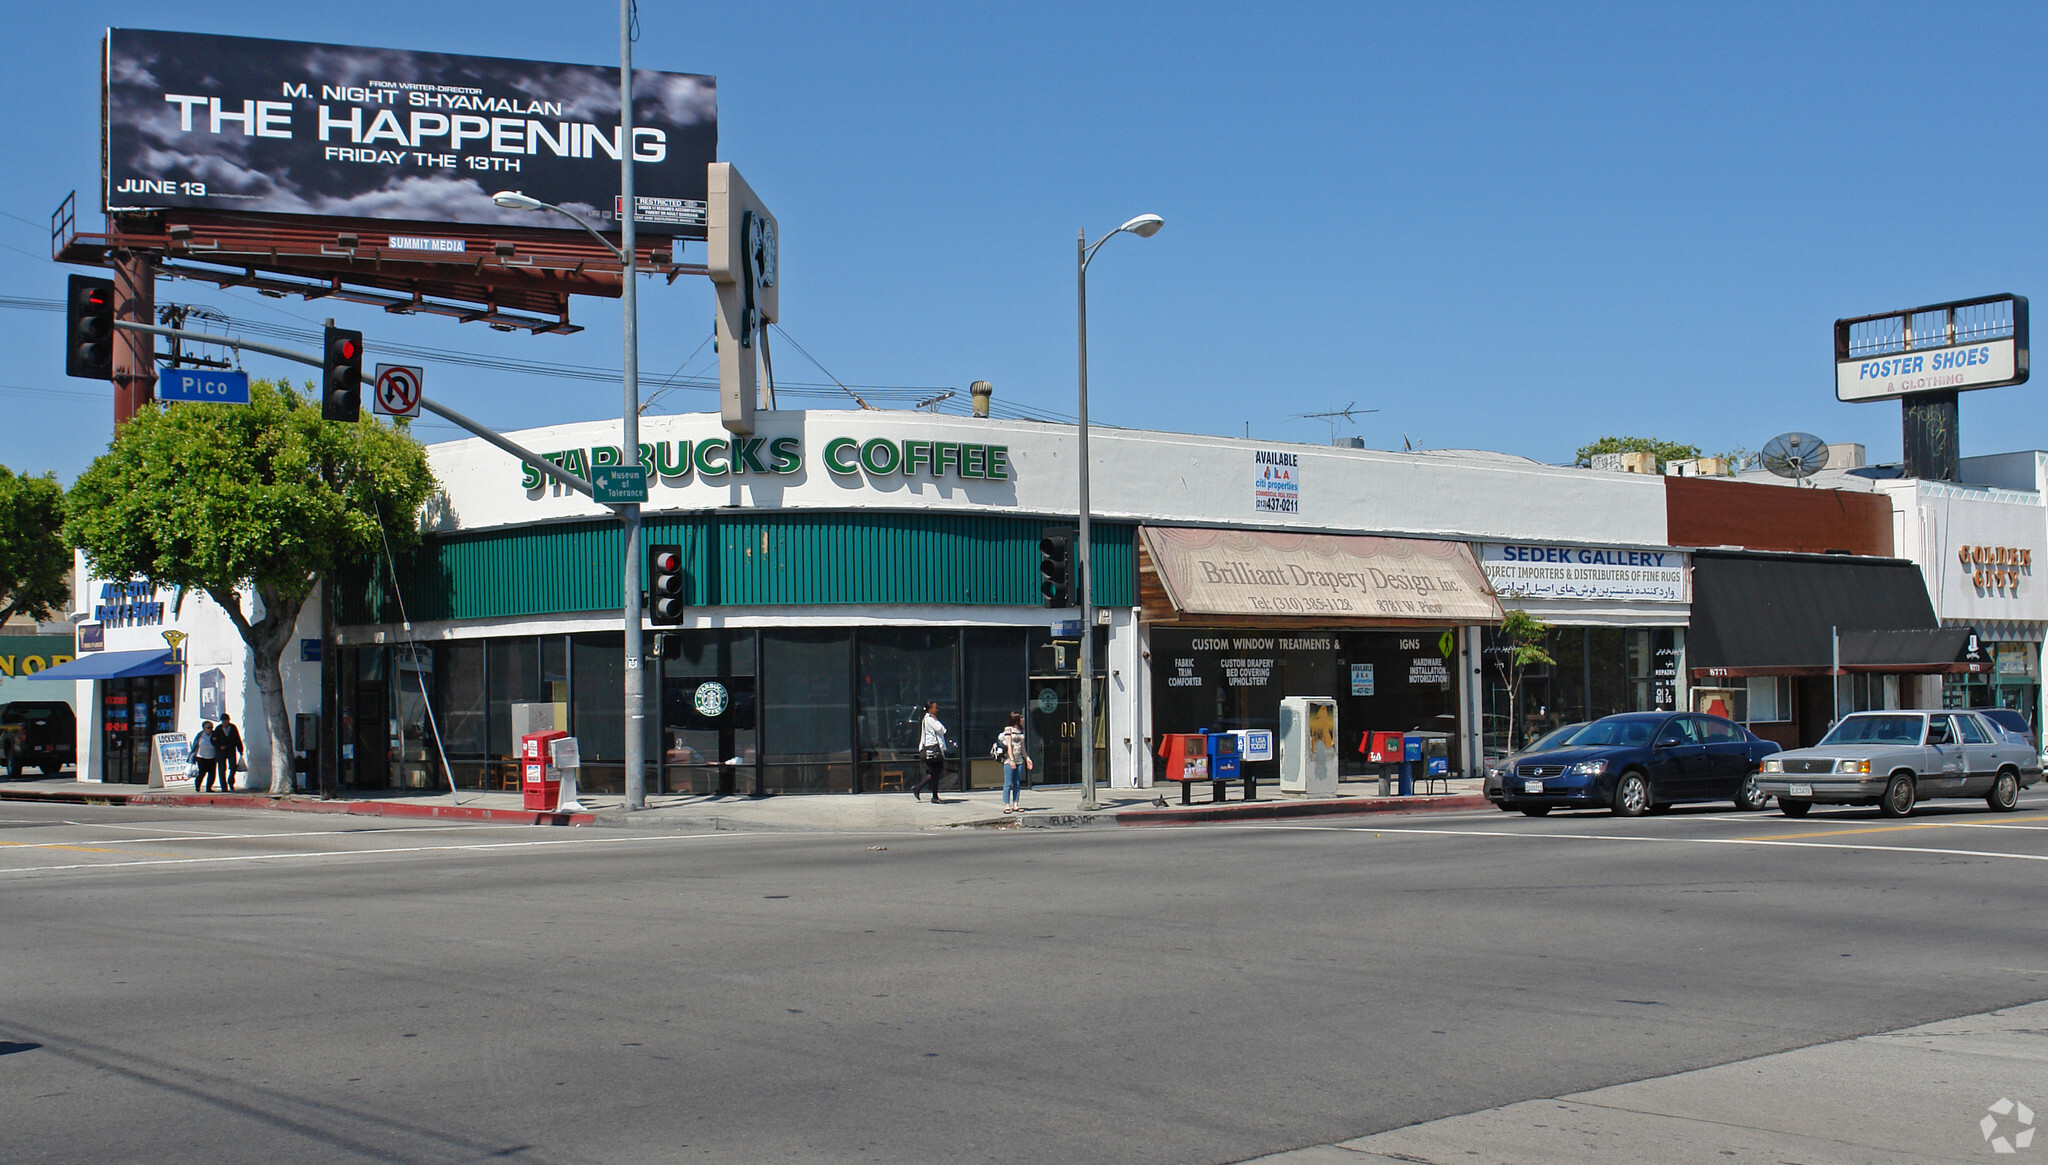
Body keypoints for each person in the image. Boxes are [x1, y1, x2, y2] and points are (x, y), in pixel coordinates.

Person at [997, 711, 1032, 813]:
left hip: (1019, 759)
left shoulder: (1021, 731)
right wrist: (1011, 760)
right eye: (1021, 717)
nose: (1023, 719)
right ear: (1016, 719)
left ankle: (1016, 804)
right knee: (1008, 783)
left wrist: (1027, 758)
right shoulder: (1008, 730)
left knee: (1017, 783)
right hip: (1009, 760)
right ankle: (1007, 805)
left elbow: (1022, 747)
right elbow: (1008, 747)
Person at [912, 701, 947, 803]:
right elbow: (941, 729)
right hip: (933, 749)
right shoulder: (929, 720)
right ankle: (924, 791)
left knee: (935, 772)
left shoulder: (928, 719)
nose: (937, 709)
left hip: (933, 748)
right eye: (935, 708)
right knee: (935, 772)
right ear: (930, 709)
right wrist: (936, 720)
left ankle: (924, 791)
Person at [214, 712, 245, 792]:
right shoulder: (218, 729)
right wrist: (219, 746)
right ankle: (224, 787)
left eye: (226, 720)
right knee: (222, 769)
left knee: (233, 767)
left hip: (231, 750)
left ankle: (231, 781)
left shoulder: (233, 727)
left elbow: (237, 738)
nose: (224, 722)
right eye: (223, 720)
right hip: (221, 752)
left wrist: (240, 749)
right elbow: (214, 740)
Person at [192, 719, 218, 791]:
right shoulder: (200, 735)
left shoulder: (215, 734)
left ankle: (209, 787)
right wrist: (192, 756)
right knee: (202, 773)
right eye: (208, 727)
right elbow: (195, 746)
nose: (210, 729)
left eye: (211, 727)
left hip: (212, 756)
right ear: (204, 728)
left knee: (212, 774)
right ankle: (197, 786)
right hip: (201, 757)